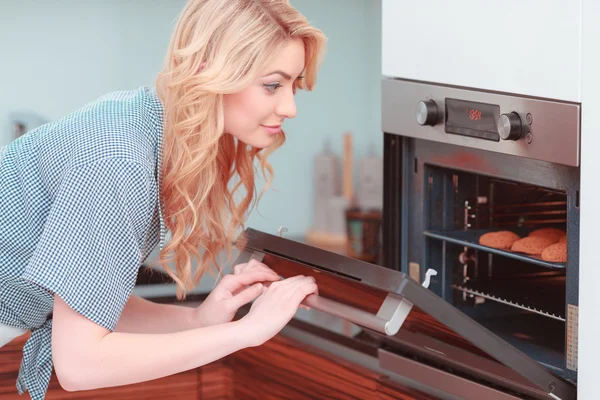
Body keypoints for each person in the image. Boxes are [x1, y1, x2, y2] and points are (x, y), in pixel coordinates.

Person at [0, 0, 326, 398]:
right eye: (273, 85)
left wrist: (201, 320)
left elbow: (85, 298)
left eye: (294, 86)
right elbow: (80, 364)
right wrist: (246, 332)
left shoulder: (139, 125)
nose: (289, 107)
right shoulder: (120, 160)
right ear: (209, 70)